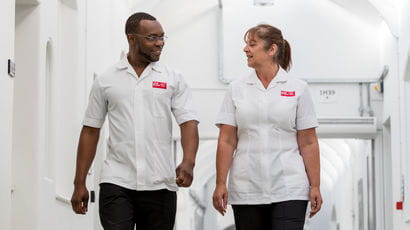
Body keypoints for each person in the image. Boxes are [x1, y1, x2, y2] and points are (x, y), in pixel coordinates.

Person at [70, 12, 199, 230]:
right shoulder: (106, 80)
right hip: (117, 180)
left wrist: (189, 161)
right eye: (151, 38)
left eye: (162, 37)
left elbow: (188, 123)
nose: (159, 43)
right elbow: (91, 130)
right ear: (132, 38)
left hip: (161, 184)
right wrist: (79, 182)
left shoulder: (172, 78)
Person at [212, 24, 322, 230]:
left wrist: (315, 185)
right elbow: (227, 140)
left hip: (290, 186)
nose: (246, 49)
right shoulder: (236, 88)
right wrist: (220, 183)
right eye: (246, 44)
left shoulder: (297, 88)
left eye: (252, 44)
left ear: (272, 50)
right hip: (247, 187)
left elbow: (308, 142)